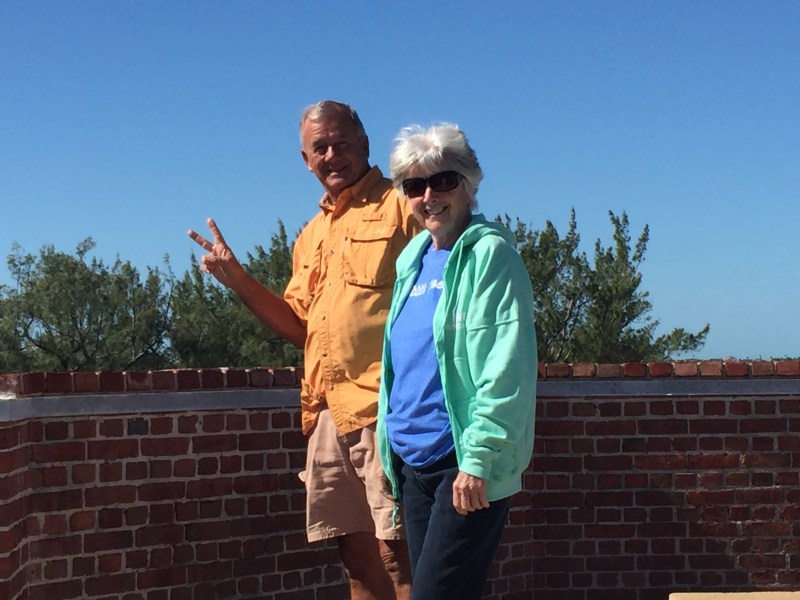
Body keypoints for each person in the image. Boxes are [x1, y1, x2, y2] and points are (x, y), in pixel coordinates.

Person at [188, 100, 420, 600]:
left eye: (341, 143)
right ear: (305, 159)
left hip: (389, 409)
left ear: (364, 144)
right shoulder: (311, 236)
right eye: (321, 148)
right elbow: (300, 329)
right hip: (328, 414)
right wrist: (239, 280)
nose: (332, 155)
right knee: (356, 560)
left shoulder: (403, 205)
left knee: (401, 558)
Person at [376, 123, 538, 599]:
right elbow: (399, 365)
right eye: (414, 186)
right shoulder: (413, 258)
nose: (428, 196)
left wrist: (478, 460)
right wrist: (389, 455)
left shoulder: (491, 255)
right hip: (411, 464)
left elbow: (506, 367)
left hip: (461, 463)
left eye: (443, 180)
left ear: (470, 185)